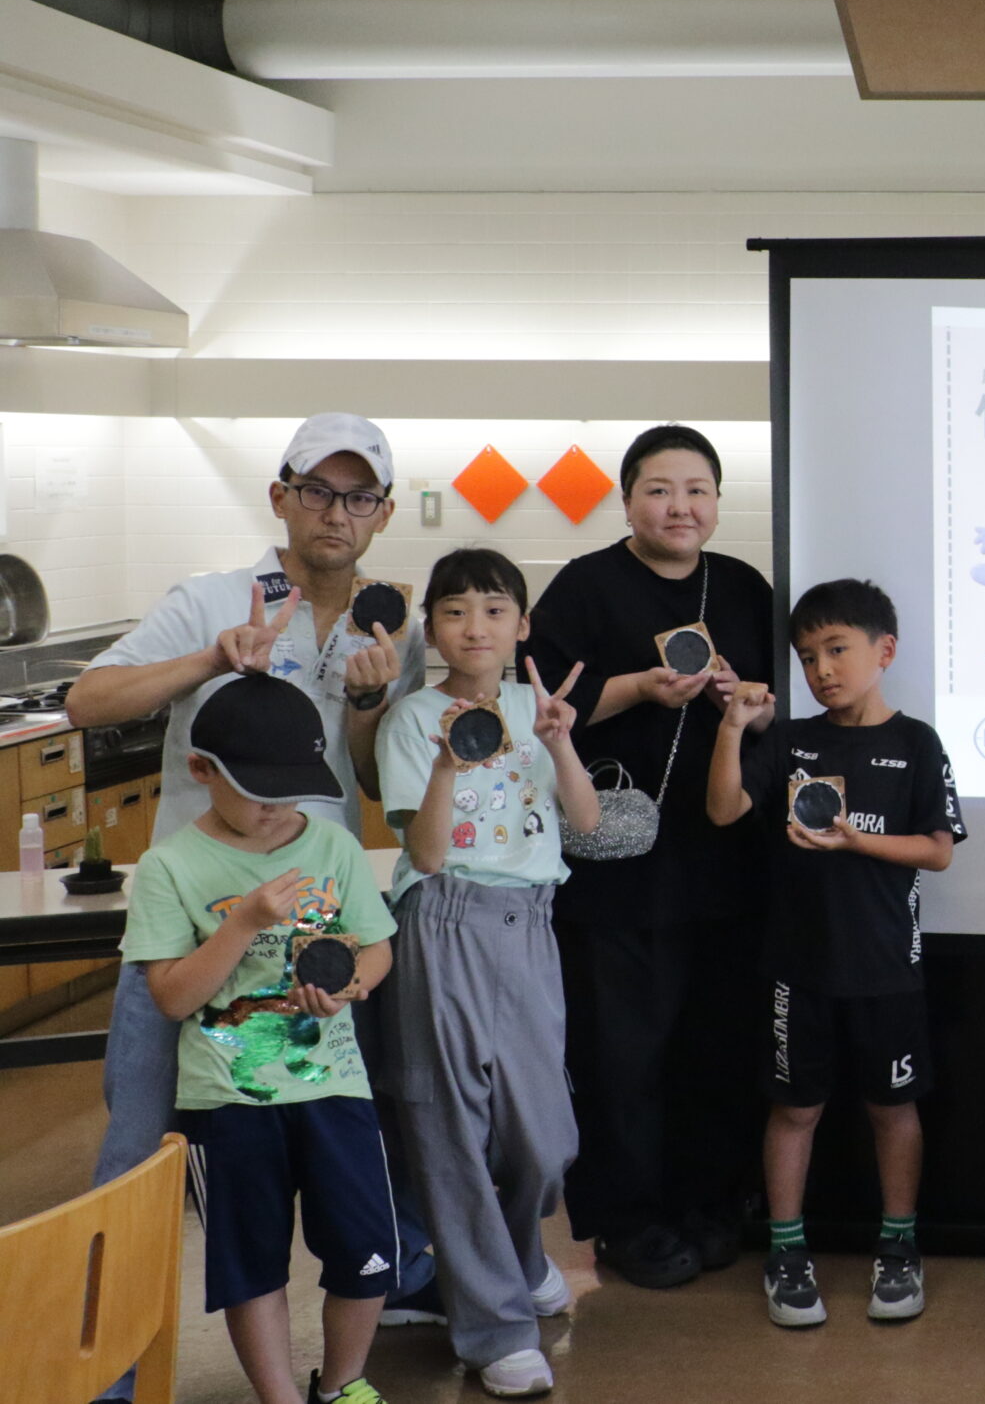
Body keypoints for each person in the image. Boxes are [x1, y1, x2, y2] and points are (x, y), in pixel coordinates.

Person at [69, 412, 435, 1387]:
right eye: (316, 490)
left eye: (358, 496)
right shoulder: (211, 599)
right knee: (136, 1158)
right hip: (185, 935)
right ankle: (105, 1378)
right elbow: (87, 700)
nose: (335, 512)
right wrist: (212, 658)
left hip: (311, 940)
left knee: (324, 1155)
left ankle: (349, 1351)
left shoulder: (391, 628)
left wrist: (371, 703)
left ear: (383, 513)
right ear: (281, 496)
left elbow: (373, 782)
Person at [527, 424, 777, 1290]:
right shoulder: (585, 586)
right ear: (628, 498)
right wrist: (640, 686)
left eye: (697, 489)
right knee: (621, 1053)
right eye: (660, 489)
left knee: (713, 1044)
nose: (680, 506)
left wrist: (751, 703)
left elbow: (776, 706)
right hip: (615, 866)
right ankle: (628, 1221)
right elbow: (544, 705)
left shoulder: (742, 587)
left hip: (723, 859)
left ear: (718, 501)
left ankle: (709, 1202)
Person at [117, 675, 401, 1404]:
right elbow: (173, 995)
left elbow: (376, 948)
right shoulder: (170, 867)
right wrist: (242, 921)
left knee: (365, 1248)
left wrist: (350, 986)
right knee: (251, 1262)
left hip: (335, 1086)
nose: (277, 809)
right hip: (229, 1098)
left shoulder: (333, 846)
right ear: (201, 769)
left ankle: (343, 1384)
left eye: (291, 790)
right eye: (257, 791)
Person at [707, 578, 964, 1330]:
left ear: (885, 651)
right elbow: (723, 810)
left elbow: (938, 850)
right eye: (807, 656)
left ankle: (899, 1245)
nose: (821, 668)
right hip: (797, 967)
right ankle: (787, 1251)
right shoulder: (790, 740)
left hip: (888, 969)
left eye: (837, 649)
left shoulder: (916, 742)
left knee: (894, 1109)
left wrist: (854, 840)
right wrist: (733, 728)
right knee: (795, 1110)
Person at [374, 550, 601, 1398]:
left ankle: (516, 1251)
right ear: (432, 628)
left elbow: (585, 821)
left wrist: (560, 741)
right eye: (456, 611)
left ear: (523, 625)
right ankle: (495, 1328)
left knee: (546, 1138)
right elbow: (428, 853)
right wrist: (445, 761)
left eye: (496, 609)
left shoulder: (538, 708)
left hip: (531, 924)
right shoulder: (410, 718)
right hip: (445, 922)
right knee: (452, 1135)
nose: (476, 627)